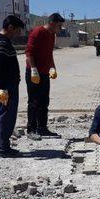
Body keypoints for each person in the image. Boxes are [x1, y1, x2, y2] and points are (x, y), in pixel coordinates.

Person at [0, 15, 25, 158]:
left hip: (5, 82)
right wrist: (3, 87)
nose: (19, 34)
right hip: (5, 83)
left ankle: (3, 146)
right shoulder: (2, 42)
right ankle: (3, 149)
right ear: (10, 27)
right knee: (6, 115)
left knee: (4, 113)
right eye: (18, 30)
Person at [25, 12, 65, 140]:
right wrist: (33, 69)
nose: (60, 28)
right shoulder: (37, 32)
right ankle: (31, 129)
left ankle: (42, 127)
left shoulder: (52, 35)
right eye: (59, 25)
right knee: (34, 101)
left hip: (44, 73)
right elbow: (29, 52)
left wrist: (52, 67)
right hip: (34, 73)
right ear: (52, 23)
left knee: (44, 101)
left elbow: (49, 53)